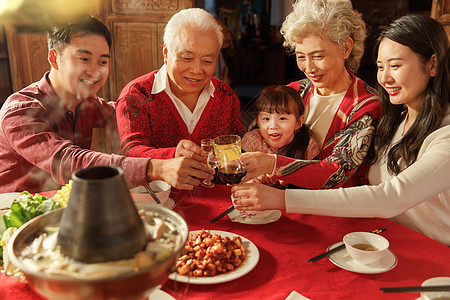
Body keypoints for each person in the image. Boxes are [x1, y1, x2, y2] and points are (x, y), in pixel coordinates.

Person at [232, 15, 450, 245]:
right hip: (381, 238)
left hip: (431, 249)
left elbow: (388, 197)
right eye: (380, 67)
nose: (385, 78)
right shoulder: (397, 117)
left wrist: (280, 194)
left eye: (395, 66)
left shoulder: (435, 132)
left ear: (432, 64)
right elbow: (255, 138)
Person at [0, 16, 214, 193]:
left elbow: (134, 118)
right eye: (84, 59)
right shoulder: (20, 112)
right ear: (54, 59)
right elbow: (70, 161)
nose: (95, 72)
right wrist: (155, 167)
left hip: (67, 206)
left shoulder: (87, 104)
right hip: (15, 218)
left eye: (102, 61)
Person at [240, 0, 381, 189]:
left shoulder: (364, 105)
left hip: (334, 209)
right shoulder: (295, 90)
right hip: (279, 201)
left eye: (318, 56)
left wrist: (272, 164)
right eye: (300, 56)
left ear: (346, 48)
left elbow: (336, 173)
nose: (309, 68)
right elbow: (254, 137)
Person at [116, 8, 244, 160]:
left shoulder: (225, 95)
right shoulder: (136, 94)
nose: (197, 70)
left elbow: (236, 146)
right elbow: (132, 152)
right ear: (166, 53)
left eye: (207, 61)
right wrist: (172, 156)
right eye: (187, 58)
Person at [242, 85, 319, 160]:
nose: (273, 126)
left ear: (298, 122)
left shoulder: (308, 147)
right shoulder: (253, 141)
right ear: (258, 122)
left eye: (282, 119)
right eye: (266, 119)